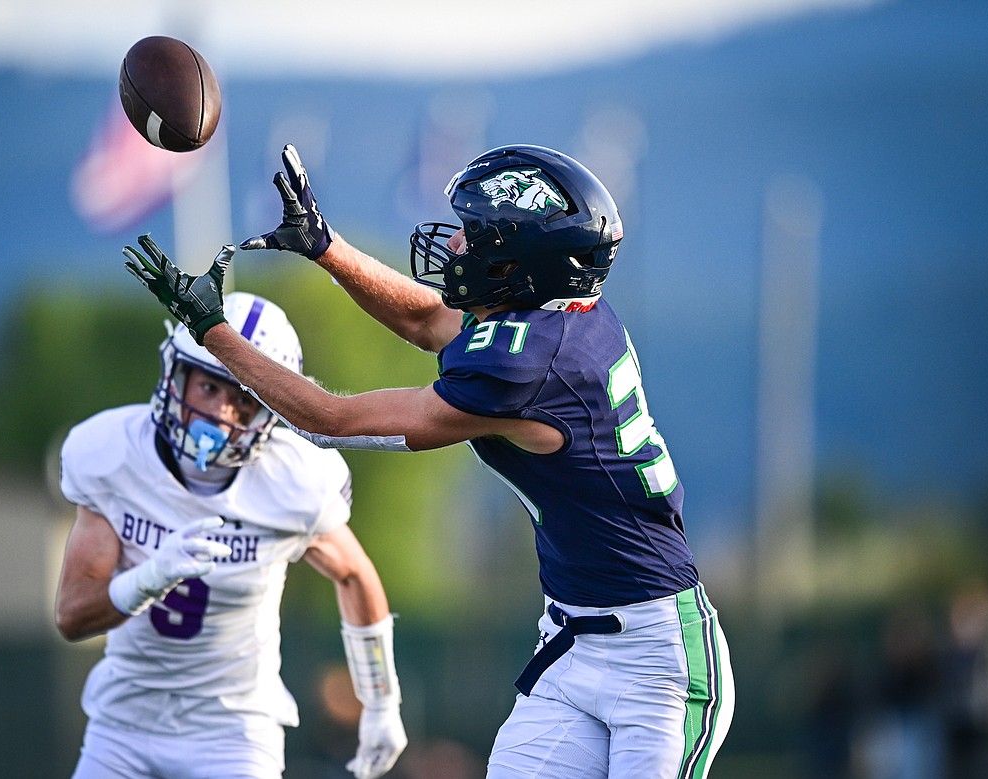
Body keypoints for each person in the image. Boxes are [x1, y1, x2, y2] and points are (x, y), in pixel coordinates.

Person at [124, 143, 735, 778]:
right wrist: (322, 244)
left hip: (658, 660)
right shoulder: (563, 315)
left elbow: (330, 421)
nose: (457, 247)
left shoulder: (526, 369)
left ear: (519, 264)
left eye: (475, 236)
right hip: (574, 642)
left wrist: (213, 330)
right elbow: (425, 318)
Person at [53, 292, 407, 779]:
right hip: (125, 726)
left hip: (234, 731)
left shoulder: (293, 477)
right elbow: (73, 616)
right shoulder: (114, 452)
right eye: (210, 387)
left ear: (270, 409)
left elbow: (353, 575)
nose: (223, 414)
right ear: (177, 377)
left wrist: (381, 701)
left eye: (245, 398)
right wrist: (149, 578)